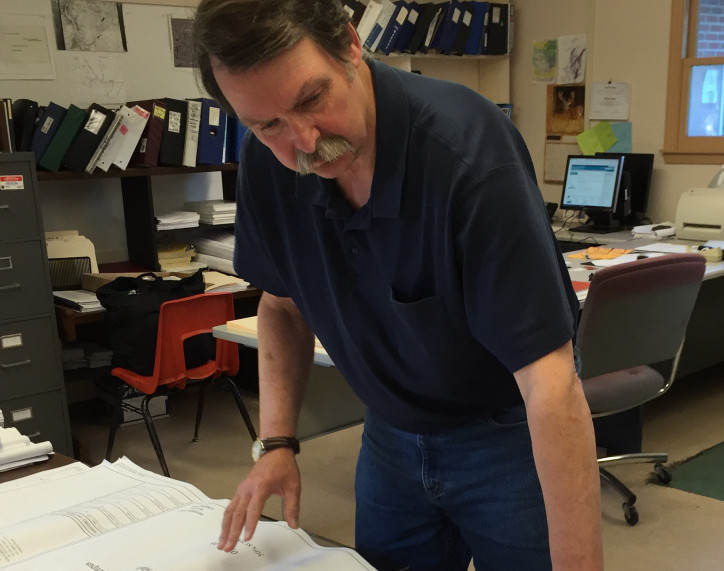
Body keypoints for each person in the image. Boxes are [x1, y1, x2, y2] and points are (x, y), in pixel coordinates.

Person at [193, 1, 603, 569]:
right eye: (268, 126)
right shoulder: (270, 163)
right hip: (390, 433)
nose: (305, 141)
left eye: (312, 100)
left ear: (349, 45)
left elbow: (550, 383)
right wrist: (277, 444)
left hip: (506, 436)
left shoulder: (468, 154)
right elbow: (282, 307)